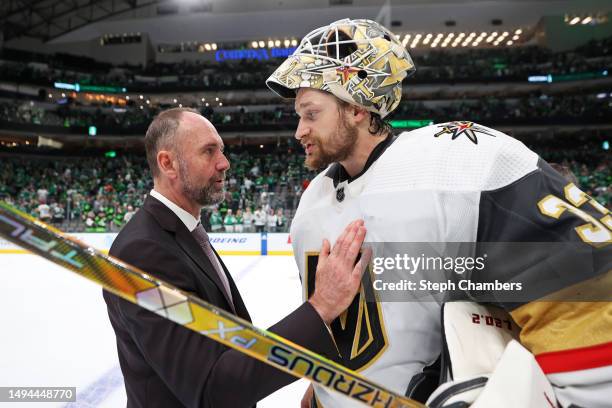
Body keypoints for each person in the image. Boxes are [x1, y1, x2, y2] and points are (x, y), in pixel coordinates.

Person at [267, 18, 611, 408]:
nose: (299, 131)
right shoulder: (313, 201)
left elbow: (584, 281)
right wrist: (321, 392)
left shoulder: (459, 162)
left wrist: (586, 396)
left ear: (358, 109)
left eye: (311, 114)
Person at [103, 107, 370, 408]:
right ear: (168, 163)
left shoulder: (181, 234)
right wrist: (320, 308)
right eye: (209, 151)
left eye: (222, 150)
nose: (224, 163)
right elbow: (212, 389)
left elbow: (227, 347)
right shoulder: (143, 252)